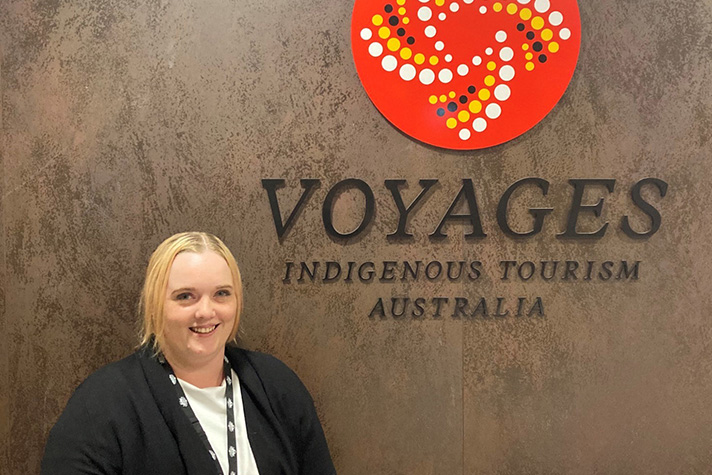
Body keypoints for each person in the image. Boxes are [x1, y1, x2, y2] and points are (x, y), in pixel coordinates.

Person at [41, 232, 336, 475]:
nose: (206, 312)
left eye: (222, 293)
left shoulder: (276, 385)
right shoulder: (102, 404)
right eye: (185, 296)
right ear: (156, 306)